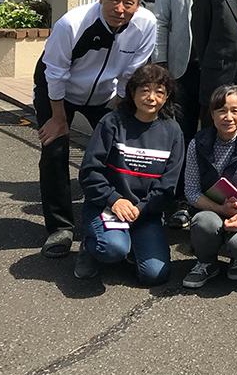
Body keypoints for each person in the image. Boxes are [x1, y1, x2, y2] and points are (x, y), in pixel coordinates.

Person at [34, 0, 157, 258]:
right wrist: (59, 118)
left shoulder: (145, 25)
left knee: (118, 151)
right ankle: (60, 228)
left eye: (129, 3)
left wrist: (119, 111)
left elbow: (132, 74)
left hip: (106, 93)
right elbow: (55, 72)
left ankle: (111, 215)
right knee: (54, 150)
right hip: (57, 90)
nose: (120, 8)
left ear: (138, 7)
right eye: (114, 0)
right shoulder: (72, 24)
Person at [73, 63, 185, 284]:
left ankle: (134, 244)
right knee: (112, 248)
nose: (151, 97)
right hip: (106, 207)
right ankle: (90, 246)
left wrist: (140, 209)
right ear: (132, 92)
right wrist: (114, 200)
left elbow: (167, 185)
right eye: (144, 90)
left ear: (167, 97)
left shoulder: (172, 131)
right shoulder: (112, 123)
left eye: (159, 92)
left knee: (155, 274)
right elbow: (89, 171)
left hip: (145, 212)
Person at [153, 0, 227, 228]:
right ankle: (180, 199)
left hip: (222, 74)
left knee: (215, 137)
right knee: (179, 135)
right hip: (181, 70)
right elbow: (161, 22)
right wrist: (160, 65)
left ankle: (215, 199)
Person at [181, 84, 237, 288]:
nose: (228, 116)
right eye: (221, 110)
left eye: (234, 110)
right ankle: (207, 262)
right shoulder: (197, 144)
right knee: (204, 223)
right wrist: (219, 208)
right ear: (212, 113)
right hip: (210, 211)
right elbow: (191, 191)